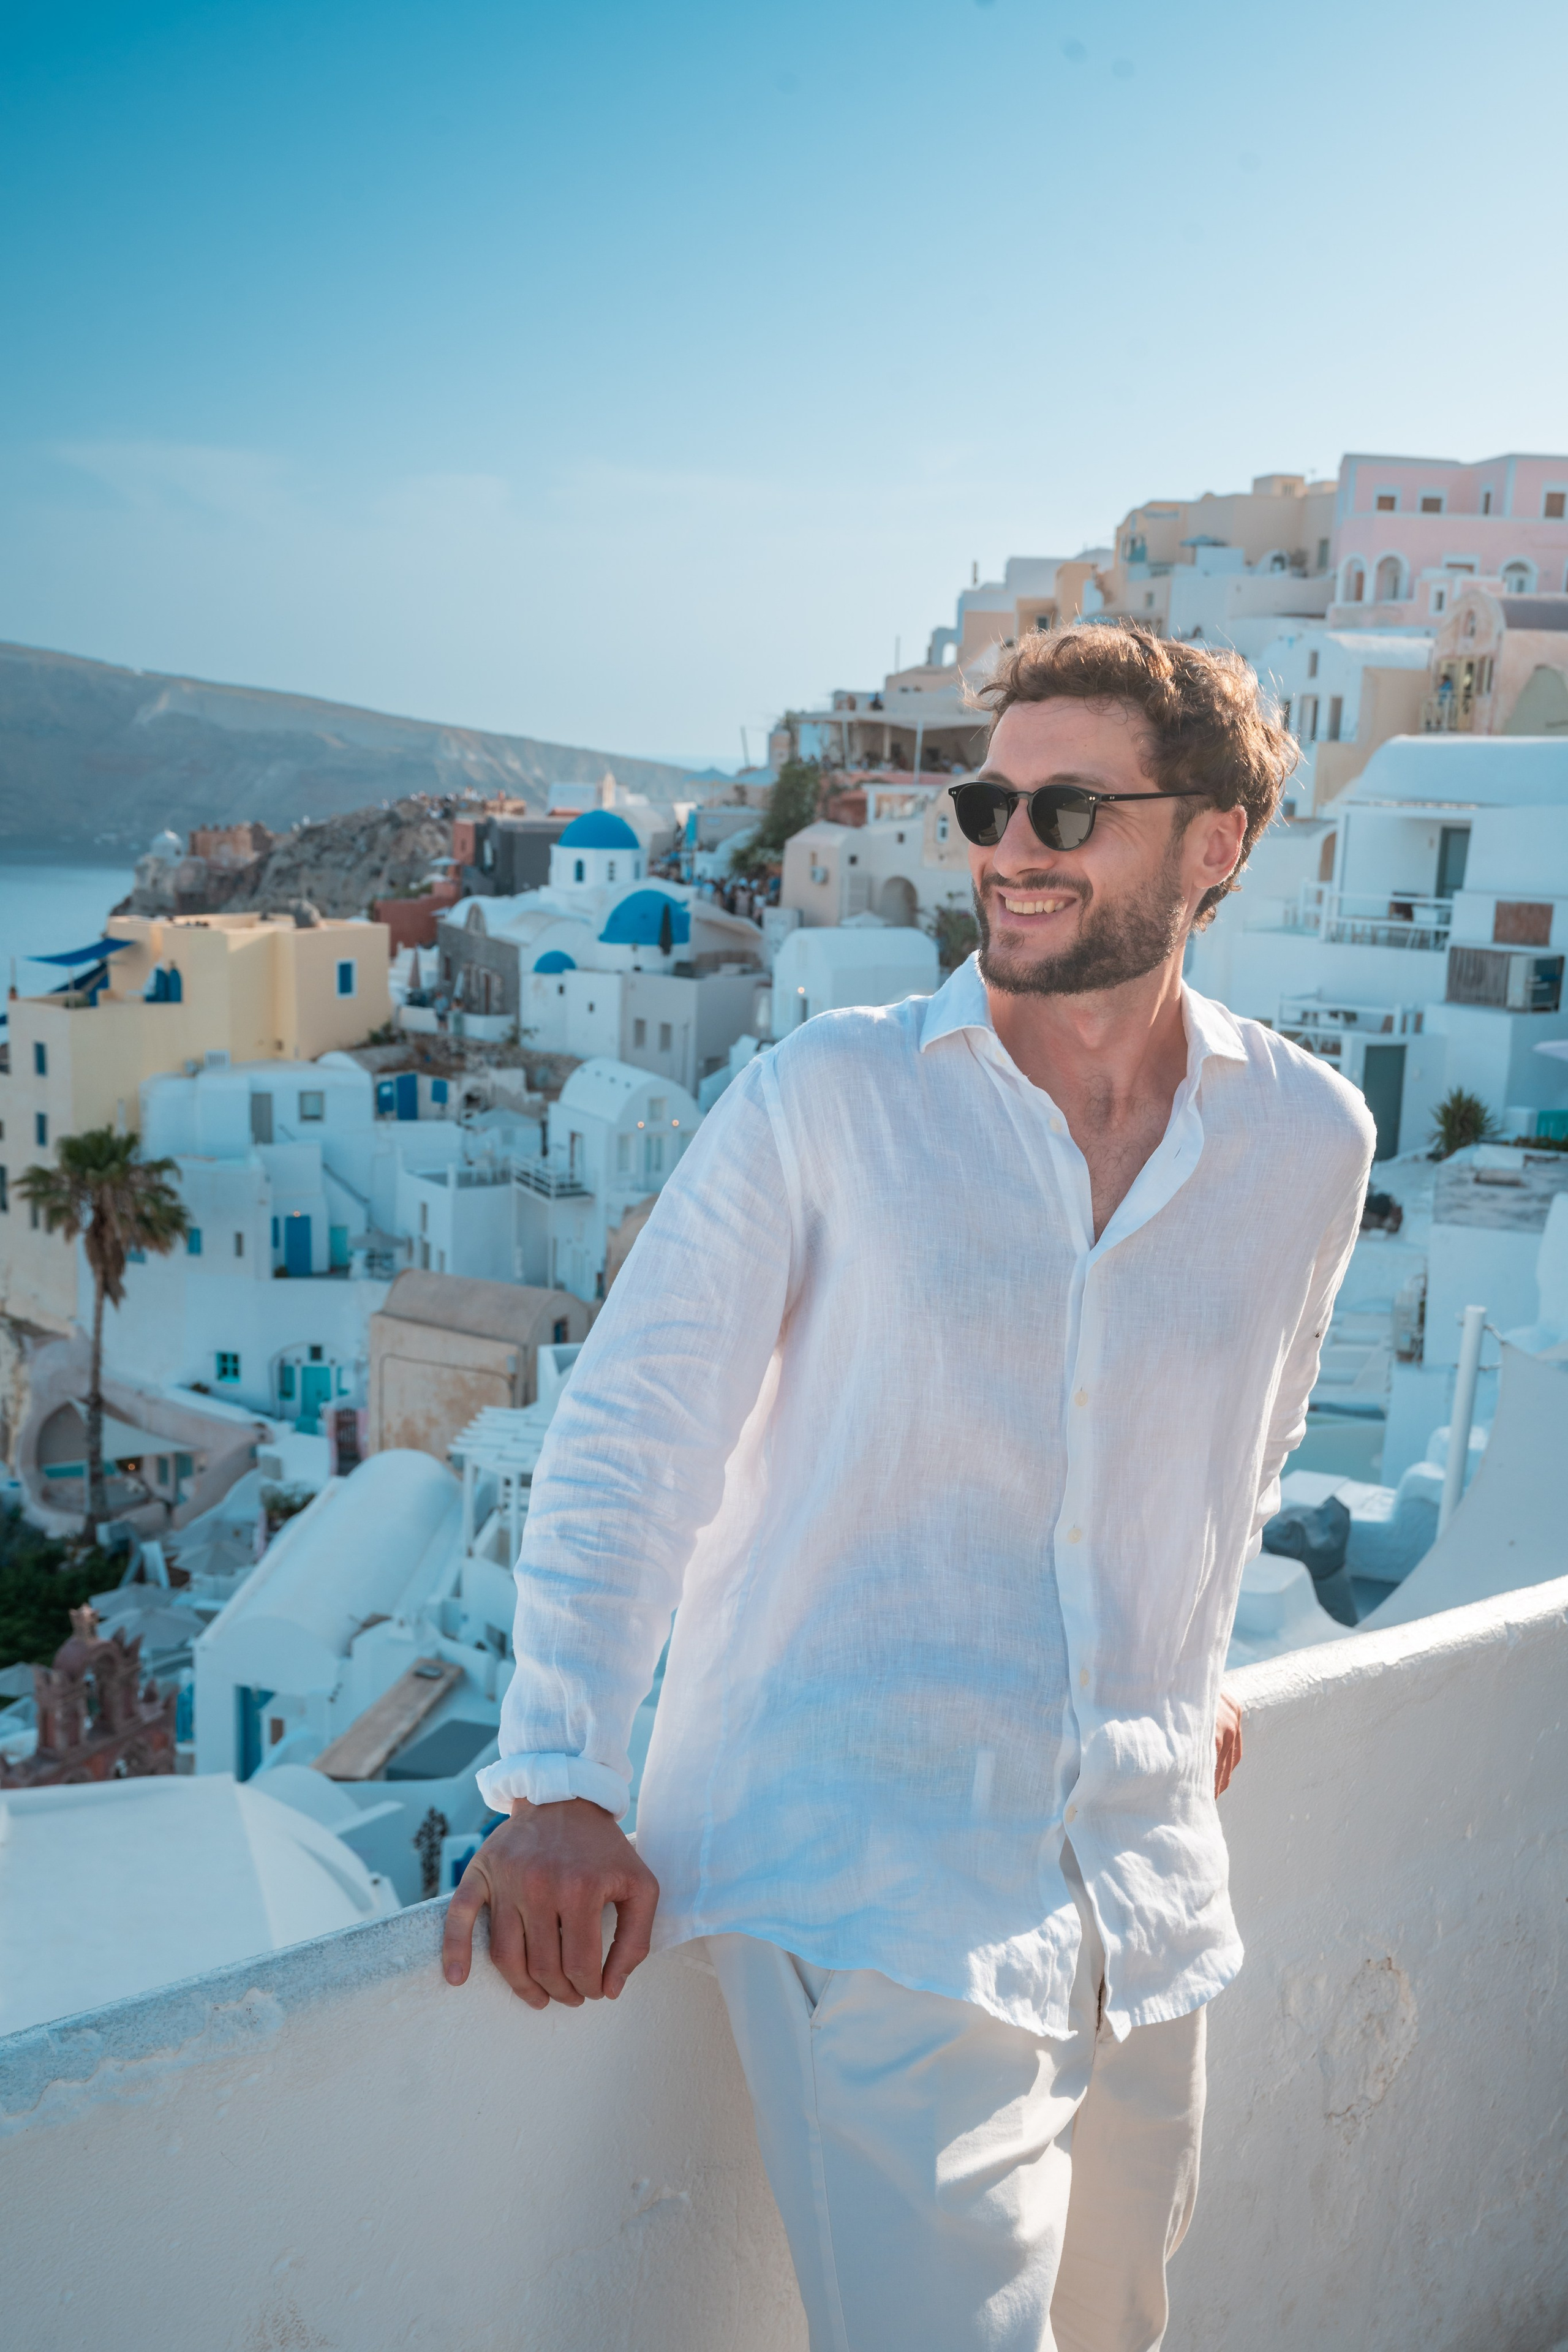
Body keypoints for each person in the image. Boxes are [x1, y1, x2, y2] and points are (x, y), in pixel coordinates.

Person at [444, 624, 1374, 2351]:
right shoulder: (826, 1100)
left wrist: (1184, 1652)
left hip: (1142, 1872)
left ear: (1215, 844)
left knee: (1116, 2332)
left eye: (1070, 806)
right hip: (864, 1865)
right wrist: (560, 1773)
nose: (1011, 847)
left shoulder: (1308, 1139)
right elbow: (635, 1433)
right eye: (988, 799)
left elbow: (1250, 1430)